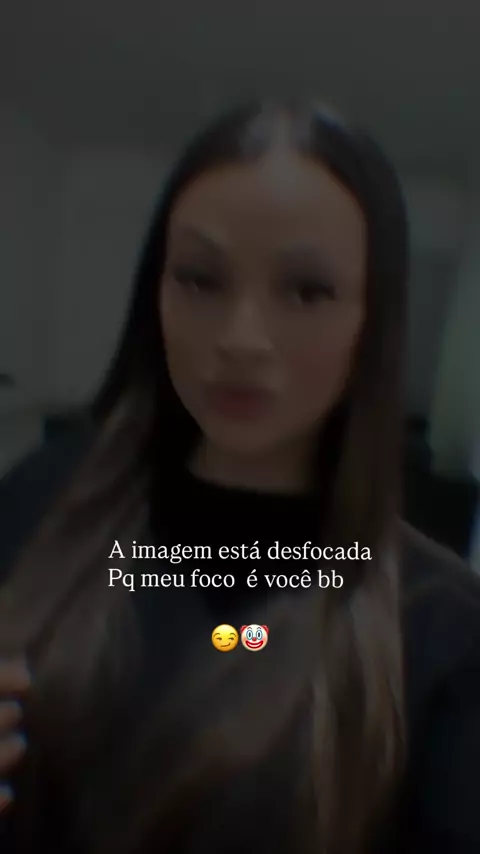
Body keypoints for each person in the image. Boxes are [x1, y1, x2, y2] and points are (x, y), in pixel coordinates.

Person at [0, 100, 479, 854]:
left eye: (307, 291)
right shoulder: (39, 496)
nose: (241, 338)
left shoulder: (440, 624)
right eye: (199, 279)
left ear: (372, 318)